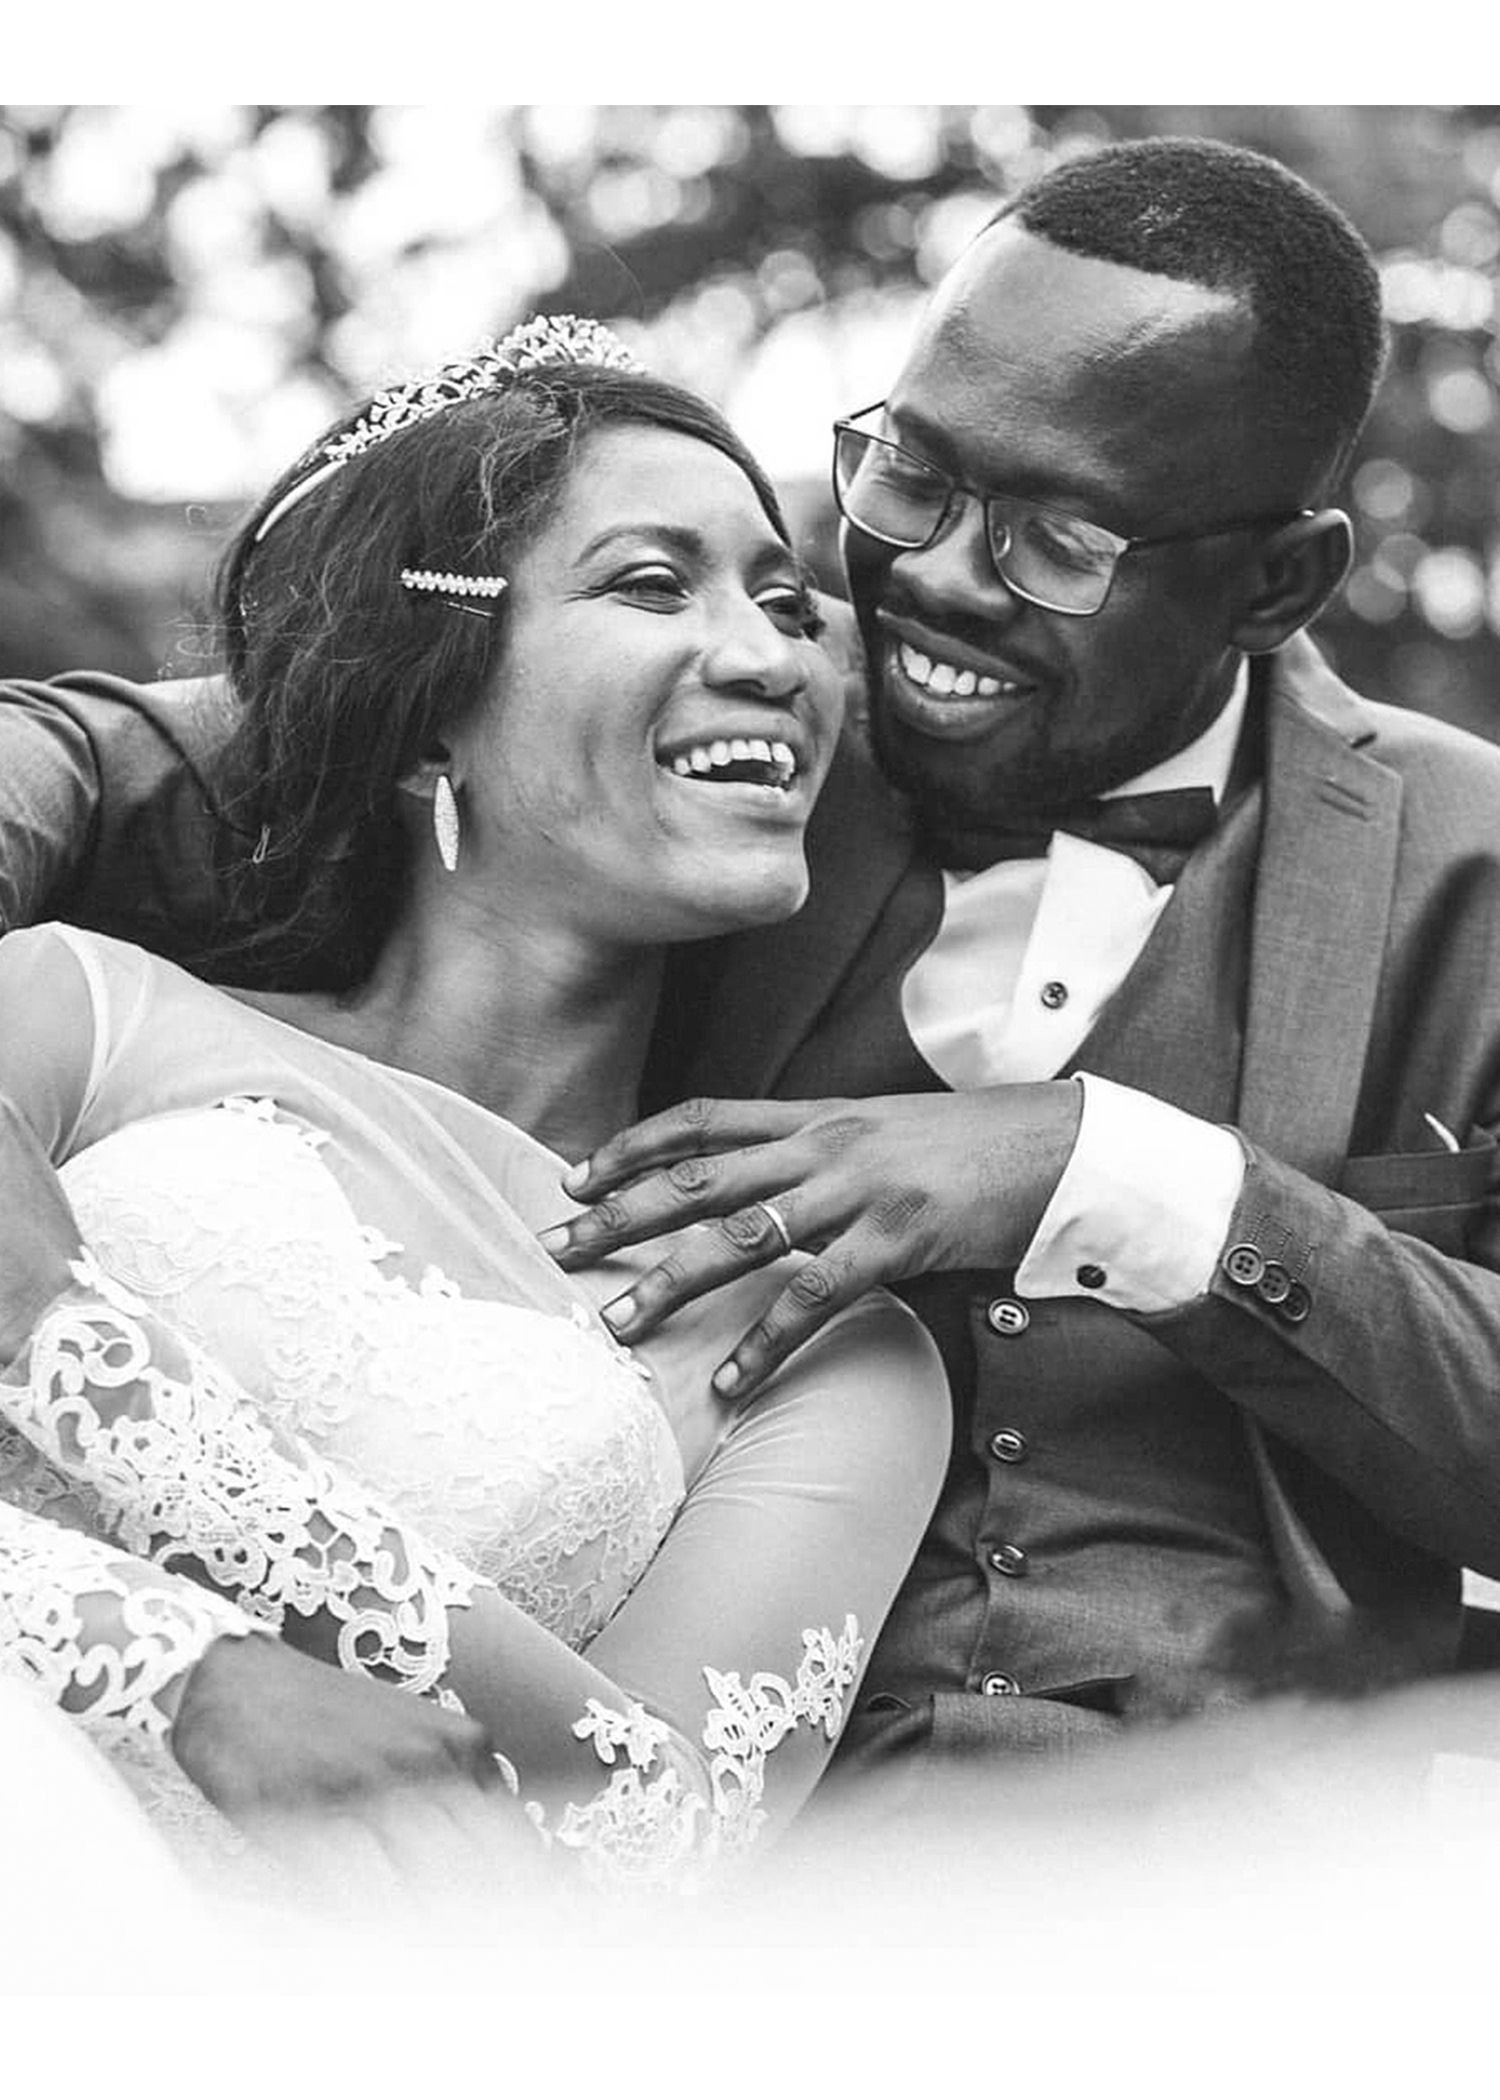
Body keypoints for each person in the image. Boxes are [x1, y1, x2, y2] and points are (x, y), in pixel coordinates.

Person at [3, 136, 1499, 1790]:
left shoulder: (1463, 868)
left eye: (1058, 541)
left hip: (1258, 1864)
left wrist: (1121, 1175)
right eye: (908, 476)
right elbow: (138, 740)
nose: (923, 576)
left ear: (1278, 579)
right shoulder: (748, 695)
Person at [0, 315, 949, 1887]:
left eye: (787, 605)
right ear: (426, 696)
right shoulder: (76, 1016)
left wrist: (66, 1352)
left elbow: (648, 1843)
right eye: (654, 584)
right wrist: (158, 1659)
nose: (775, 656)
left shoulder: (822, 1343)